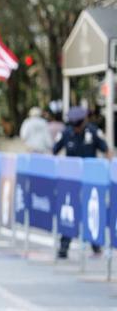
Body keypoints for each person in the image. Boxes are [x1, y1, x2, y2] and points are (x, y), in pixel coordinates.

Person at [53, 105, 108, 258]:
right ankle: (64, 247)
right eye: (73, 125)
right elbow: (54, 151)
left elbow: (106, 150)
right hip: (71, 180)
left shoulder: (93, 131)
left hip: (91, 180)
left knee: (92, 211)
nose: (76, 128)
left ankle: (96, 245)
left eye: (78, 124)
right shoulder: (66, 133)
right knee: (70, 212)